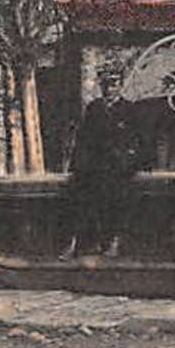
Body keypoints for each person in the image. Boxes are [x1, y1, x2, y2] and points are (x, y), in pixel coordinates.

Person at [61, 60, 144, 259]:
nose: (110, 89)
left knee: (119, 199)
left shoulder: (129, 109)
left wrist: (130, 161)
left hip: (119, 168)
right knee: (83, 198)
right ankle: (80, 243)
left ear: (120, 86)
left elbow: (138, 141)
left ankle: (113, 240)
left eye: (114, 84)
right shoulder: (94, 108)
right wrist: (77, 166)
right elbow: (83, 139)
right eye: (106, 84)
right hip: (95, 166)